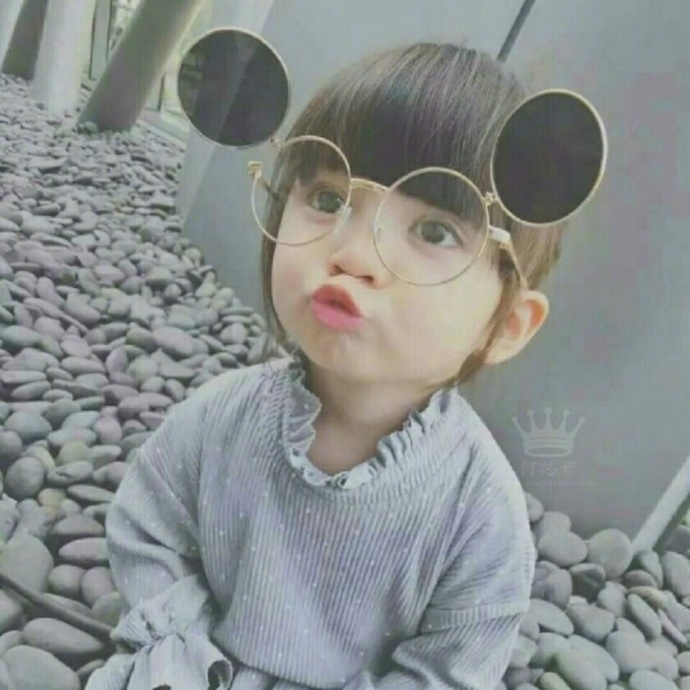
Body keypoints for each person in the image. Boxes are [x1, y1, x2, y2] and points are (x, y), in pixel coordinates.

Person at [86, 40, 567, 690]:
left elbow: (448, 672)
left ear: (506, 326)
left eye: (432, 231)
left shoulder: (479, 514)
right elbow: (147, 525)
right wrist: (181, 649)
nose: (352, 254)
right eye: (328, 197)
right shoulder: (223, 415)